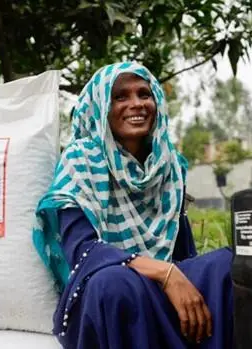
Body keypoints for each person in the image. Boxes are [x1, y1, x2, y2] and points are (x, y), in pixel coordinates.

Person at [33, 61, 234, 349]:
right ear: (102, 106)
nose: (136, 104)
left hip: (161, 286)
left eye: (144, 94)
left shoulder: (169, 165)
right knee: (113, 283)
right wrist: (165, 274)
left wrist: (180, 278)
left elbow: (181, 252)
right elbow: (83, 251)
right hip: (112, 290)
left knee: (228, 266)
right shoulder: (82, 159)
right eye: (120, 96)